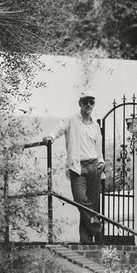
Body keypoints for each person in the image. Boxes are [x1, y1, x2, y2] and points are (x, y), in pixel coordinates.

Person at [44, 91, 105, 244]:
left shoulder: (96, 125)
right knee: (81, 201)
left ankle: (86, 242)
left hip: (94, 166)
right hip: (78, 167)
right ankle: (98, 229)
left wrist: (102, 161)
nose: (89, 105)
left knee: (92, 203)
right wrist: (51, 137)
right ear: (80, 104)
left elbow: (98, 145)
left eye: (92, 102)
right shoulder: (71, 120)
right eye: (85, 102)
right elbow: (59, 128)